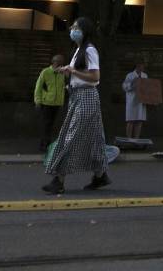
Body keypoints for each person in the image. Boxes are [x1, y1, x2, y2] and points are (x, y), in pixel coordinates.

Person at [42, 17, 110, 195]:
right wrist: (70, 74)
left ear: (84, 31)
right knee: (94, 138)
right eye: (72, 27)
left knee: (70, 136)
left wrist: (73, 71)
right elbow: (82, 75)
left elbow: (95, 77)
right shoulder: (79, 50)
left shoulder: (89, 50)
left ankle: (59, 180)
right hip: (79, 97)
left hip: (86, 97)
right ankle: (100, 175)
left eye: (76, 27)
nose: (72, 30)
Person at [33, 54, 65, 151]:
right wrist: (37, 101)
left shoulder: (62, 73)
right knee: (46, 124)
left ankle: (47, 144)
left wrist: (62, 101)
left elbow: (62, 88)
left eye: (62, 64)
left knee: (51, 124)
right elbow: (38, 87)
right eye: (59, 64)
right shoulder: (45, 72)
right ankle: (44, 145)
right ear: (54, 63)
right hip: (46, 103)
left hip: (57, 103)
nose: (61, 66)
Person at [122, 60, 148, 139]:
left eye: (143, 66)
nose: (142, 67)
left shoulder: (145, 75)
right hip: (132, 100)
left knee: (139, 120)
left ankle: (136, 139)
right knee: (131, 120)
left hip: (141, 101)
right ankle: (129, 138)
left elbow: (148, 87)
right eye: (140, 65)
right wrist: (133, 85)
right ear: (137, 66)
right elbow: (124, 86)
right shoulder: (130, 75)